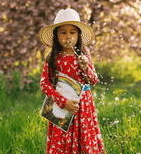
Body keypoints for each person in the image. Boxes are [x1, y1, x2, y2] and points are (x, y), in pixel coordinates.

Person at [40, 8, 105, 154]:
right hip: (62, 107)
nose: (67, 36)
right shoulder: (53, 57)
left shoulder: (84, 54)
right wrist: (63, 101)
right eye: (63, 32)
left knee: (85, 140)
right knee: (62, 142)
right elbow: (45, 83)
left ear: (78, 35)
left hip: (83, 107)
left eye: (72, 32)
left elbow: (93, 80)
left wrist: (85, 68)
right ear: (56, 36)